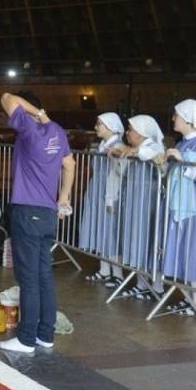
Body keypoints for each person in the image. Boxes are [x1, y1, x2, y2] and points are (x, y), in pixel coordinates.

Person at [0, 92, 74, 354]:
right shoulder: (57, 131)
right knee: (44, 276)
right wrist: (63, 198)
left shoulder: (30, 130)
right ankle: (45, 334)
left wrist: (35, 113)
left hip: (27, 211)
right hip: (48, 212)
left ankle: (26, 338)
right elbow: (70, 164)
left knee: (28, 278)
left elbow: (6, 97)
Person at [159, 99, 196, 317]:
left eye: (176, 115)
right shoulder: (184, 142)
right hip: (182, 202)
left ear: (188, 119)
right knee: (186, 249)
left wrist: (181, 159)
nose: (174, 118)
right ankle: (189, 299)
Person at [109, 115, 166, 300]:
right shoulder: (132, 148)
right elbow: (122, 171)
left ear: (141, 133)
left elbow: (149, 154)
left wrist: (133, 152)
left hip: (148, 202)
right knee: (136, 240)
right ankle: (142, 283)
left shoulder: (154, 146)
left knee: (150, 242)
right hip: (135, 201)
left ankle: (155, 286)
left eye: (131, 129)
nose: (127, 132)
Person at [80, 113, 125, 285]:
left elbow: (119, 172)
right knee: (101, 230)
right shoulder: (102, 145)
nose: (96, 127)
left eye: (100, 124)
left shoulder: (118, 146)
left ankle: (118, 273)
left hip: (109, 191)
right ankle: (104, 269)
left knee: (111, 232)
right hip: (97, 189)